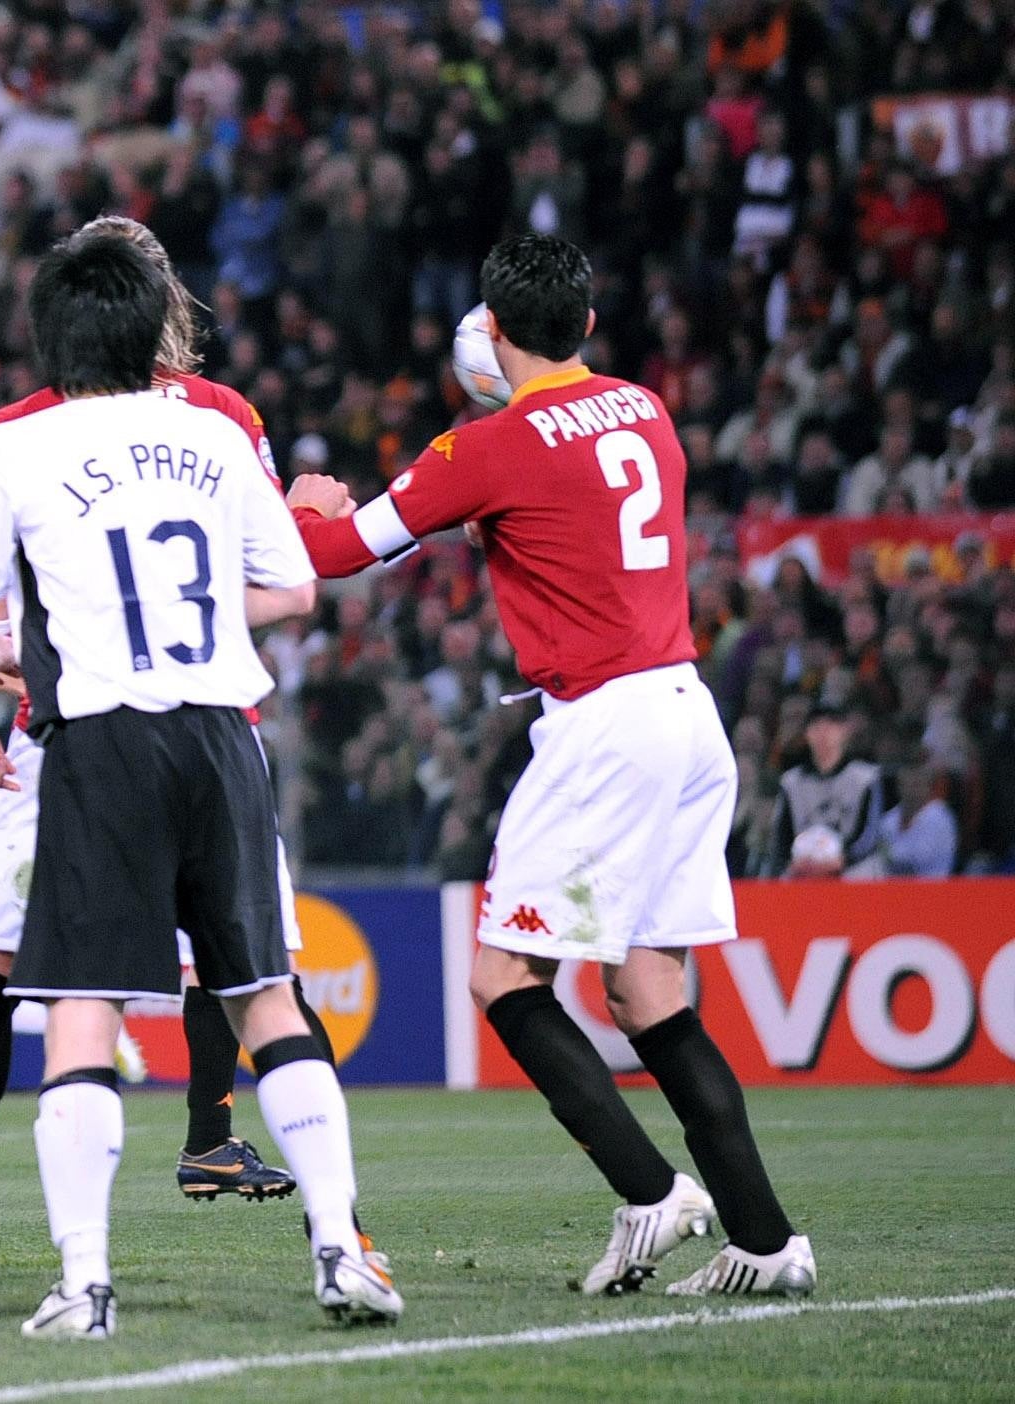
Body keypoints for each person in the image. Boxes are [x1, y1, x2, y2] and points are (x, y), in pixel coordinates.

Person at [288, 233, 815, 1298]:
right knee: (646, 989)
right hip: (683, 709)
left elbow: (340, 555)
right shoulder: (643, 409)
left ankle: (648, 1191)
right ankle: (766, 1244)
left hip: (603, 727)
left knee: (500, 976)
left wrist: (302, 504)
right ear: (583, 323)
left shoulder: (485, 445)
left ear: (487, 330)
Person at [0, 235, 400, 1338]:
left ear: (51, 337)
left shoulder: (18, 445)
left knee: (82, 1009)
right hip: (218, 739)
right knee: (264, 997)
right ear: (156, 331)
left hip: (100, 744)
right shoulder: (212, 431)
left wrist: (8, 657)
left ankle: (84, 1284)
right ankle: (341, 1249)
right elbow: (292, 597)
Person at [0, 220, 320, 1291]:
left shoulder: (20, 431)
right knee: (245, 975)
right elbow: (282, 570)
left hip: (69, 739)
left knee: (13, 977)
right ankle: (330, 1230)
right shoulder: (226, 422)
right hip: (199, 729)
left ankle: (14, 1222)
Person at [764, 704, 883, 876]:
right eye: (817, 727)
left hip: (852, 870)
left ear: (844, 731)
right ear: (807, 734)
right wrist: (794, 862)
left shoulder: (865, 778)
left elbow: (868, 836)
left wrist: (841, 860)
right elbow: (782, 836)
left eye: (831, 726)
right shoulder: (792, 782)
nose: (824, 734)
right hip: (803, 868)